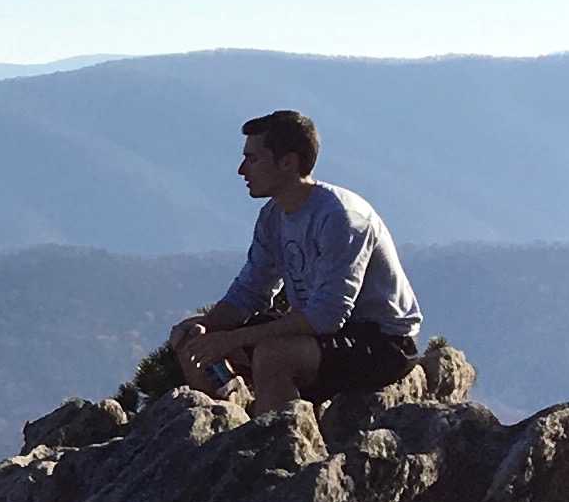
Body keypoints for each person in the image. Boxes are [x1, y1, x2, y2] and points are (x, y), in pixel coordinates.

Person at [165, 109, 423, 410]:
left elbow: (327, 316)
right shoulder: (273, 216)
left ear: (287, 162)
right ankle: (226, 419)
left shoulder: (341, 218)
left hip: (379, 342)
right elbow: (251, 291)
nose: (241, 170)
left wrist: (234, 340)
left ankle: (275, 444)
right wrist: (209, 327)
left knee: (273, 355)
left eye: (253, 158)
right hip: (323, 333)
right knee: (192, 339)